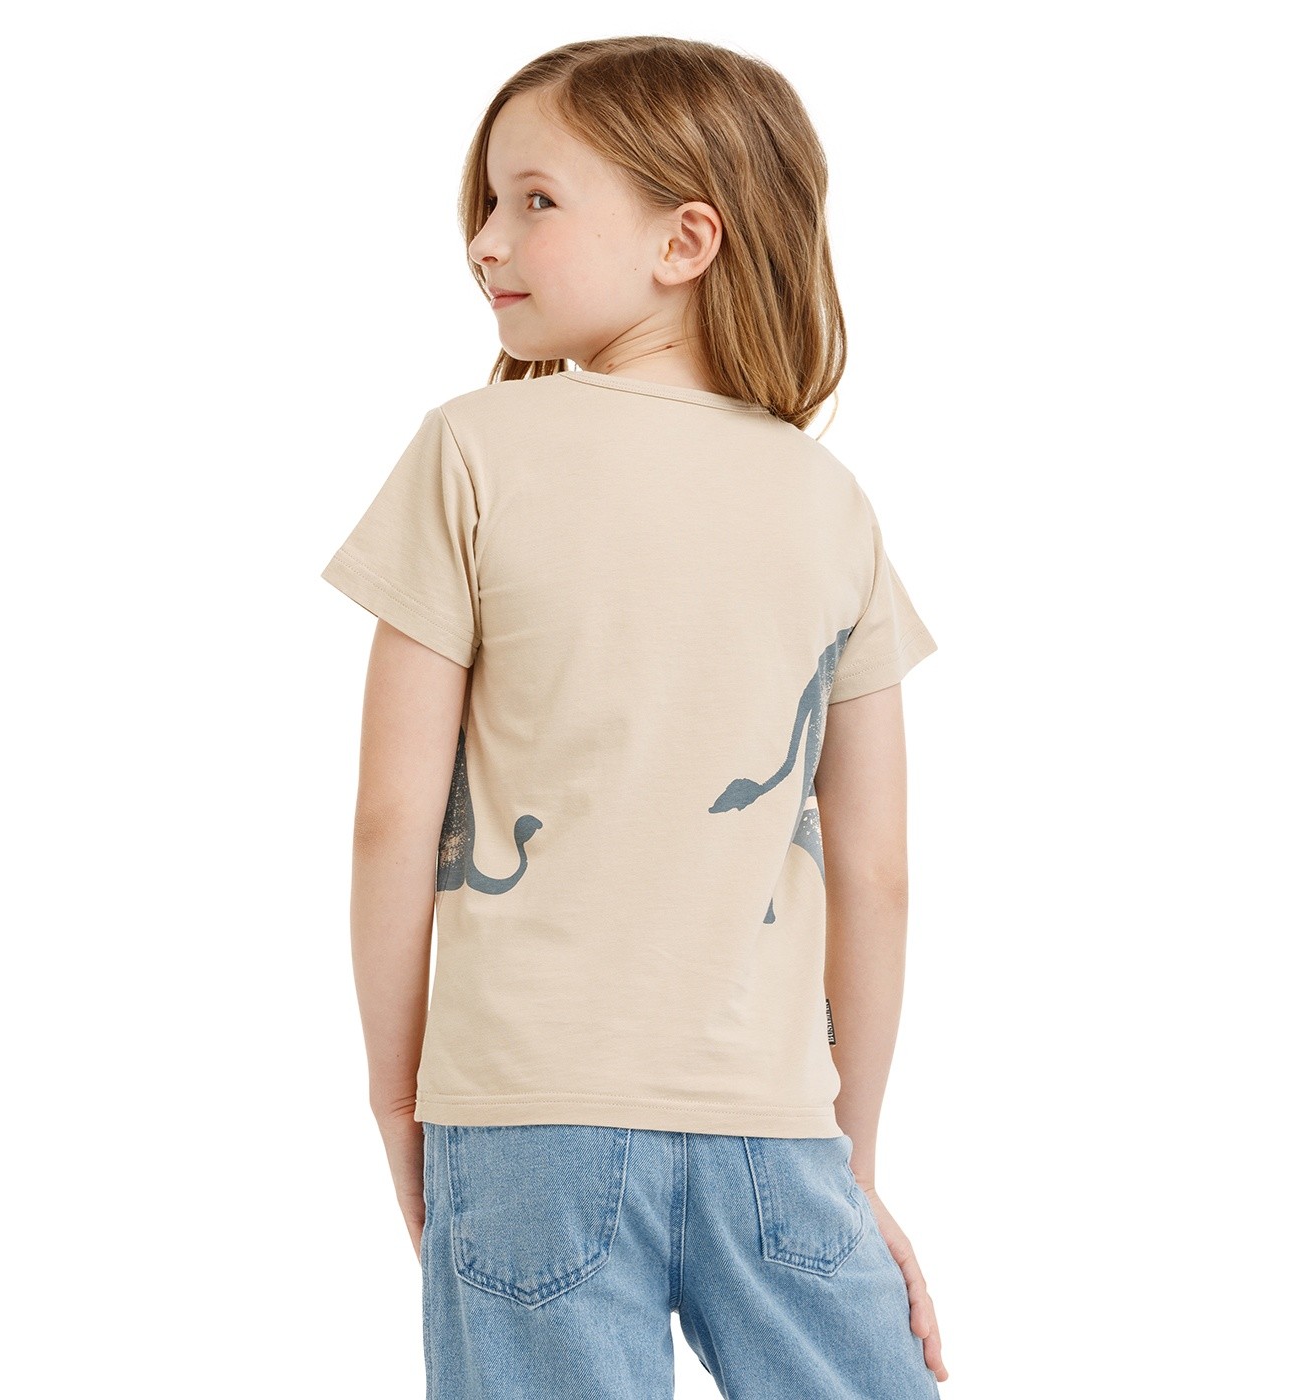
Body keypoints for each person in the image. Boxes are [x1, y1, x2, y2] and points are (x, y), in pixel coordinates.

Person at [320, 34, 948, 1399]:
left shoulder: (471, 451)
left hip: (524, 1112)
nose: (485, 240)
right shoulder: (832, 504)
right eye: (487, 203)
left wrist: (394, 1091)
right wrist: (854, 1159)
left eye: (535, 200)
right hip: (775, 1128)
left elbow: (391, 819)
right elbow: (878, 871)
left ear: (686, 240)